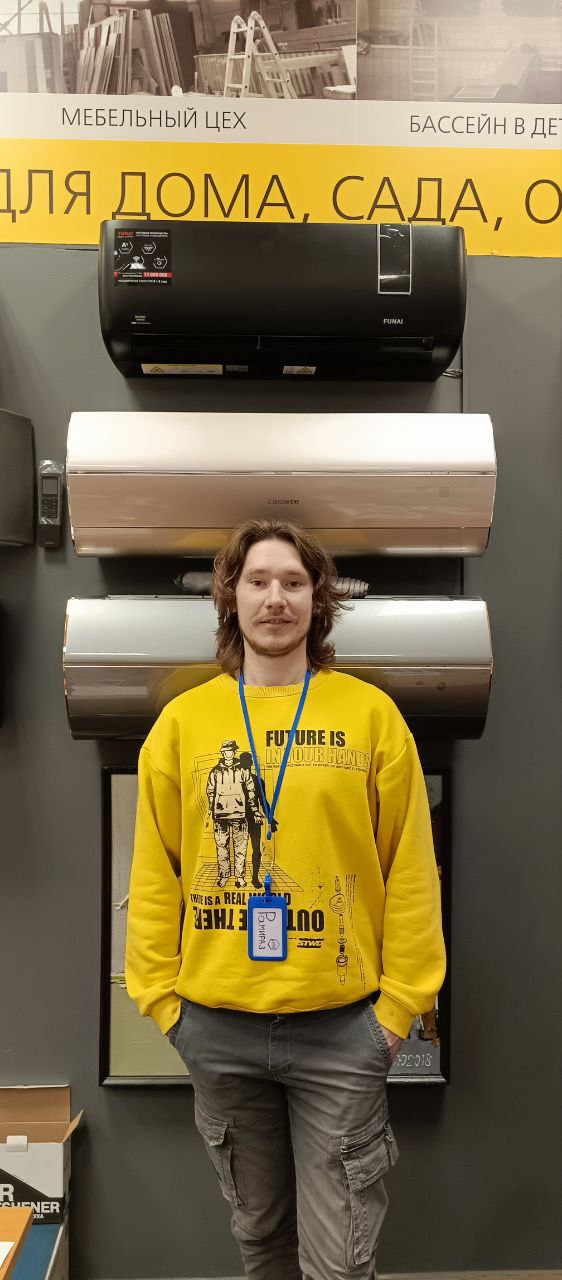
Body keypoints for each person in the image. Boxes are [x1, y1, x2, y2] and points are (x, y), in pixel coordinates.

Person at [125, 518, 446, 1280]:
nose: (276, 598)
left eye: (294, 582)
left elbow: (410, 871)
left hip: (342, 1032)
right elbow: (154, 875)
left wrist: (398, 1011)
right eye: (259, 581)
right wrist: (164, 1004)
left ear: (318, 601)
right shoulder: (181, 725)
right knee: (261, 1239)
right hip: (217, 1029)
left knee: (340, 1262)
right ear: (231, 598)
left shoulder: (370, 718)